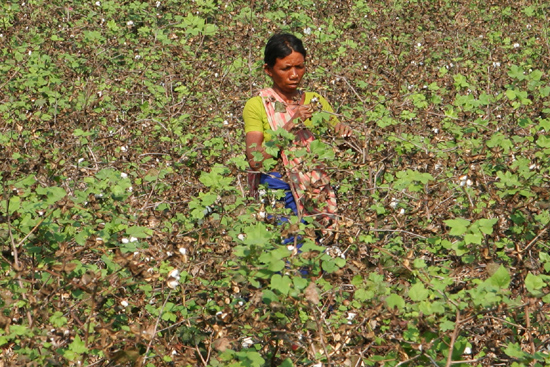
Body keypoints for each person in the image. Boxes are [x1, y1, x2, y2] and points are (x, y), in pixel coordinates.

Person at [243, 33, 352, 236]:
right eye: (285, 68)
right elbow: (255, 160)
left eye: (299, 67)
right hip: (277, 188)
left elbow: (341, 143)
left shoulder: (315, 101)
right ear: (268, 70)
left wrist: (344, 136)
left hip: (316, 191)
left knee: (316, 253)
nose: (294, 74)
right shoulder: (257, 105)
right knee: (285, 249)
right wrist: (292, 123)